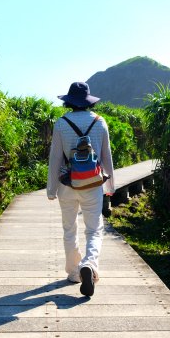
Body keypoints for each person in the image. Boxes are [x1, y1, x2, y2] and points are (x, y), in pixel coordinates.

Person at [47, 82, 114, 297]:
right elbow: (106, 157)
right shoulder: (100, 122)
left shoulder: (61, 123)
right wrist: (110, 186)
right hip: (93, 184)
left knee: (69, 229)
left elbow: (55, 158)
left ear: (69, 101)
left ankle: (75, 272)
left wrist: (51, 188)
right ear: (87, 100)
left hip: (67, 184)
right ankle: (90, 265)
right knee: (94, 229)